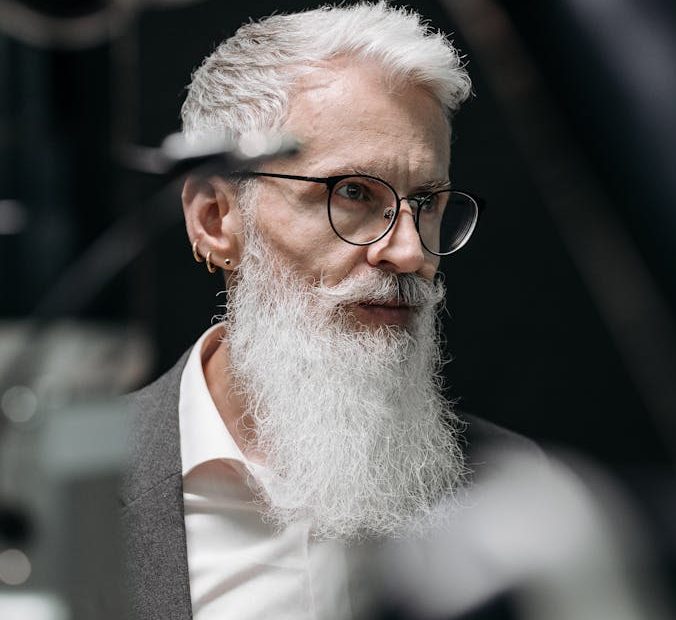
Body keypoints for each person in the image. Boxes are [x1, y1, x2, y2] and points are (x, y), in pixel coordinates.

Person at [119, 3, 543, 618]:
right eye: (353, 193)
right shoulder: (57, 485)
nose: (409, 252)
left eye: (426, 202)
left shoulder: (512, 493)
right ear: (215, 219)